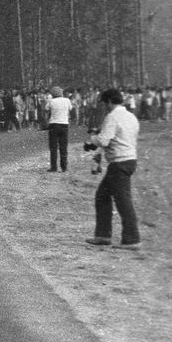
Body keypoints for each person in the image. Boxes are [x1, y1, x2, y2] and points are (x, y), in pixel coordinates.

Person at [85, 88, 141, 248]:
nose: (105, 106)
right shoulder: (131, 116)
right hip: (130, 159)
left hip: (119, 162)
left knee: (123, 201)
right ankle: (103, 235)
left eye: (105, 103)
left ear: (109, 101)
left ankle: (132, 239)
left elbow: (103, 141)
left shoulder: (112, 116)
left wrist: (91, 140)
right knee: (103, 195)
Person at [45, 86, 74, 172]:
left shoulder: (51, 101)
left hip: (54, 124)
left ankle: (54, 167)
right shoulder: (67, 100)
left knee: (53, 147)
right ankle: (64, 166)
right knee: (63, 146)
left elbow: (46, 108)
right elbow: (71, 109)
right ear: (61, 93)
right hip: (64, 124)